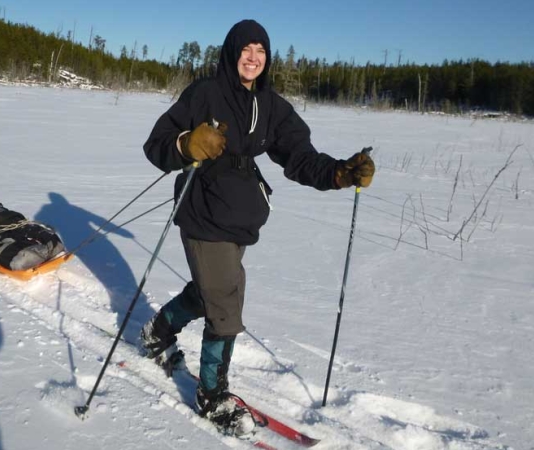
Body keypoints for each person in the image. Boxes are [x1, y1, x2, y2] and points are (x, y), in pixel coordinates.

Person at [140, 19, 376, 436]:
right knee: (226, 303)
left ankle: (159, 330)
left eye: (261, 51)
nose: (253, 57)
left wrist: (339, 173)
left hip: (240, 215)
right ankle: (211, 395)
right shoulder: (204, 93)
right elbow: (157, 143)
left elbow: (300, 157)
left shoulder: (271, 106)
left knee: (210, 292)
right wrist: (186, 144)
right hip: (202, 211)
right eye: (246, 49)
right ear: (232, 53)